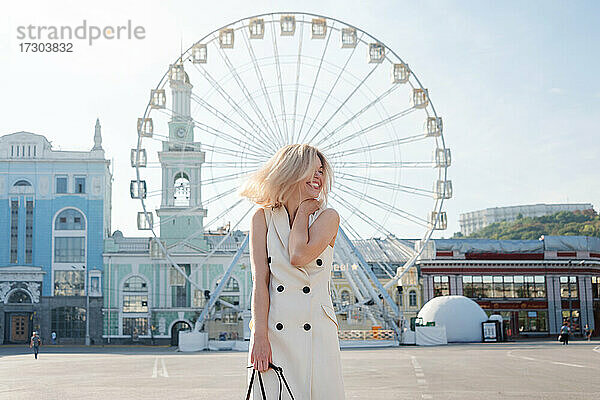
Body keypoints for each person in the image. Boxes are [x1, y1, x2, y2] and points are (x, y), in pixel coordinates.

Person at [240, 144, 345, 399]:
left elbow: (298, 255)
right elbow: (260, 281)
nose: (319, 176)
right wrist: (260, 334)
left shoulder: (327, 217)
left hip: (317, 332)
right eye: (312, 169)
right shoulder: (261, 218)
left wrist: (304, 212)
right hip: (276, 333)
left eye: (322, 171)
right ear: (293, 170)